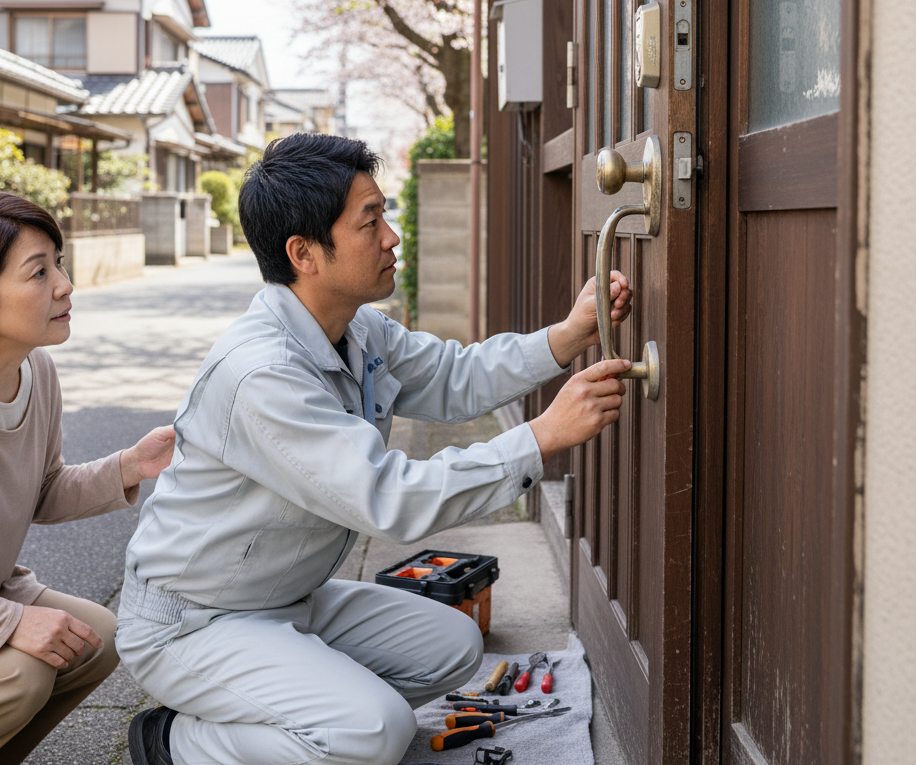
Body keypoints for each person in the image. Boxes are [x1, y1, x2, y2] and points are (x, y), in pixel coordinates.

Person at [119, 134, 632, 765]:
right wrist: (542, 436)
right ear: (303, 253)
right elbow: (390, 499)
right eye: (370, 222)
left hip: (290, 600)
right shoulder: (261, 376)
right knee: (377, 732)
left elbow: (453, 375)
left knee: (455, 645)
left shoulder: (355, 327)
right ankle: (174, 740)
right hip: (194, 623)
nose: (391, 237)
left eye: (384, 214)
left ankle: (287, 709)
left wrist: (565, 335)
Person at [0, 192, 176, 765]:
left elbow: (40, 490)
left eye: (60, 262)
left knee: (95, 639)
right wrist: (12, 621)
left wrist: (130, 465)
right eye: (39, 272)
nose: (65, 285)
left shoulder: (34, 369)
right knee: (19, 674)